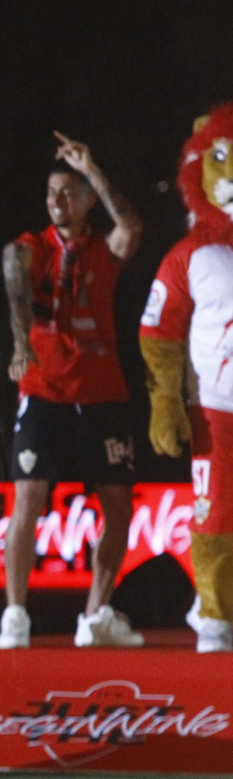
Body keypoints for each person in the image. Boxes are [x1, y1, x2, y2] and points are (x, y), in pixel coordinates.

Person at [0, 132, 144, 649]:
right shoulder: (34, 246)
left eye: (67, 193)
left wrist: (94, 169)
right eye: (50, 194)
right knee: (28, 501)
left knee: (120, 509)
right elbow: (13, 268)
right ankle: (15, 614)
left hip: (103, 394)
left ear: (85, 201)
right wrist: (21, 344)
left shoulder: (105, 248)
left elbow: (130, 225)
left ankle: (95, 617)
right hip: (45, 391)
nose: (56, 202)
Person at [140, 102, 233, 652]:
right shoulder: (191, 254)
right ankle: (217, 616)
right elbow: (158, 331)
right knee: (216, 510)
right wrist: (165, 404)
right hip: (214, 409)